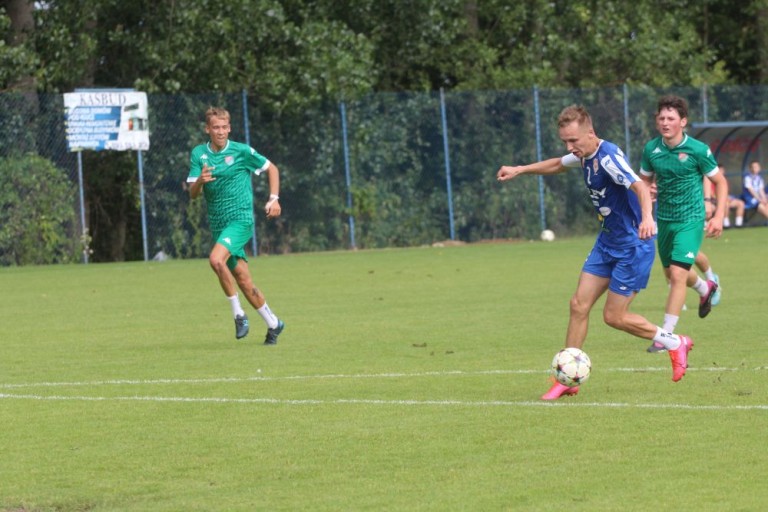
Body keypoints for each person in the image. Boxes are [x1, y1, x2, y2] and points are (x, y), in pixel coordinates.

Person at [497, 105, 694, 401]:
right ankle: (567, 378)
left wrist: (648, 217)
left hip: (632, 246)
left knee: (614, 317)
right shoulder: (584, 154)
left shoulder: (609, 157)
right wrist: (520, 169)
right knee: (578, 305)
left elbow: (639, 186)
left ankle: (674, 341)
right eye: (565, 141)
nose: (569, 146)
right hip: (607, 242)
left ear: (590, 133)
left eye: (574, 140)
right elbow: (558, 165)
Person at [187, 106, 285, 344]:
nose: (220, 132)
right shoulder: (199, 154)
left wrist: (274, 199)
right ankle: (274, 323)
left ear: (229, 128)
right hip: (219, 225)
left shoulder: (241, 151)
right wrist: (200, 180)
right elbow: (192, 194)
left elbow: (272, 168)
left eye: (224, 127)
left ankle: (238, 315)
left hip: (240, 221)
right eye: (216, 128)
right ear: (207, 129)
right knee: (243, 279)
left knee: (215, 260)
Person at [639, 95, 727, 340]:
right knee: (671, 273)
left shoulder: (698, 150)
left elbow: (720, 182)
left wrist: (718, 215)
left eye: (671, 118)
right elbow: (643, 182)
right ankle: (704, 287)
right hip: (664, 219)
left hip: (691, 218)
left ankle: (667, 336)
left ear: (683, 122)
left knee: (677, 275)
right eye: (661, 118)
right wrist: (648, 193)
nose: (665, 122)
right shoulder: (651, 149)